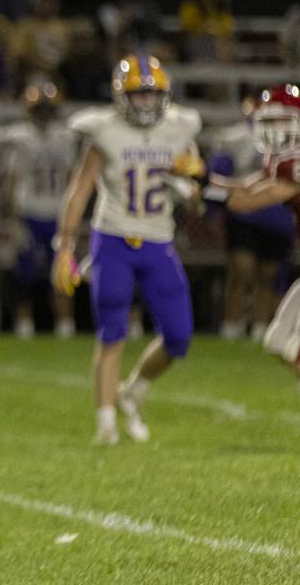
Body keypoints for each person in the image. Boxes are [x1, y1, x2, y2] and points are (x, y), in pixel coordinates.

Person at [51, 54, 203, 445]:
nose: (147, 104)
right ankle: (105, 424)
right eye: (139, 96)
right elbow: (79, 191)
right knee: (112, 330)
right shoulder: (105, 132)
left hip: (158, 239)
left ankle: (132, 391)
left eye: (153, 96)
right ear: (121, 97)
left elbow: (199, 200)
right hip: (113, 239)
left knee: (179, 336)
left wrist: (190, 189)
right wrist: (64, 246)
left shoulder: (180, 130)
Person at [213, 84, 300, 383]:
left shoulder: (295, 164)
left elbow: (246, 202)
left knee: (295, 347)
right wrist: (200, 180)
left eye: (280, 121)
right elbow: (246, 186)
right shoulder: (283, 161)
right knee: (277, 342)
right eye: (268, 122)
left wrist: (199, 192)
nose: (273, 129)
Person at [5, 80, 77, 338]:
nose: (44, 113)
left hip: (58, 214)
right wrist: (14, 218)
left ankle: (65, 323)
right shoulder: (20, 137)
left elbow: (72, 179)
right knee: (24, 274)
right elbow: (12, 181)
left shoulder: (65, 137)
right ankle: (24, 324)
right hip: (30, 213)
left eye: (47, 108)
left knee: (63, 273)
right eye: (40, 108)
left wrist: (73, 216)